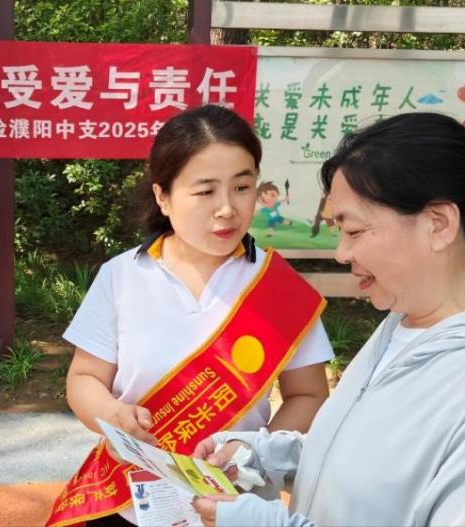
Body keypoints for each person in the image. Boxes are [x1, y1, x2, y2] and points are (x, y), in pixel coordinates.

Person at [190, 112, 465, 527]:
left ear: (438, 224)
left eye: (354, 231)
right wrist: (264, 455)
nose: (341, 253)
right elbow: (363, 461)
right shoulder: (401, 328)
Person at [45, 105, 335, 527]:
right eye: (205, 192)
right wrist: (112, 415)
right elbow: (84, 378)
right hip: (133, 503)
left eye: (242, 187)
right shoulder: (122, 275)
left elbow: (308, 396)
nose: (227, 208)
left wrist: (251, 451)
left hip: (234, 506)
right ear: (162, 196)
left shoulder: (278, 287)